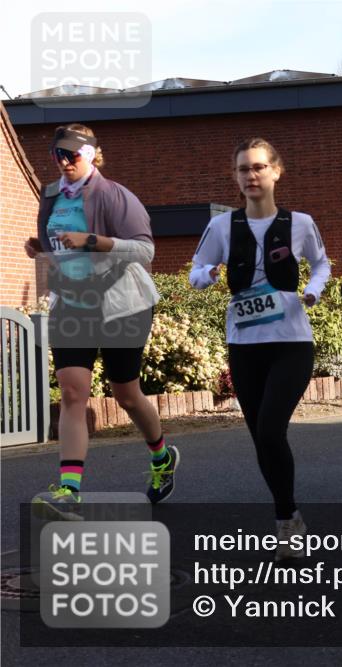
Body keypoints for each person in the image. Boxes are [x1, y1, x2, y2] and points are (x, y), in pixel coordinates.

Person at [190, 137, 330, 560]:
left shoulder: (300, 223)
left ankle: (287, 522)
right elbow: (196, 271)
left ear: (275, 171)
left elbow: (322, 262)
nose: (250, 176)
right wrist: (209, 275)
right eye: (242, 170)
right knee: (261, 439)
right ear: (236, 177)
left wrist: (314, 289)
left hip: (290, 343)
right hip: (244, 345)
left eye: (257, 168)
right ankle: (289, 515)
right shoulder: (221, 227)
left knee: (271, 430)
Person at [28, 124, 172, 521]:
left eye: (73, 154)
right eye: (58, 153)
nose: (64, 161)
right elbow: (58, 241)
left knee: (125, 394)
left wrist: (93, 240)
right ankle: (69, 492)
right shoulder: (52, 194)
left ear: (93, 154)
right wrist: (41, 247)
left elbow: (145, 250)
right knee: (74, 394)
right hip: (72, 303)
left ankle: (161, 456)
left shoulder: (114, 194)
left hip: (122, 304)